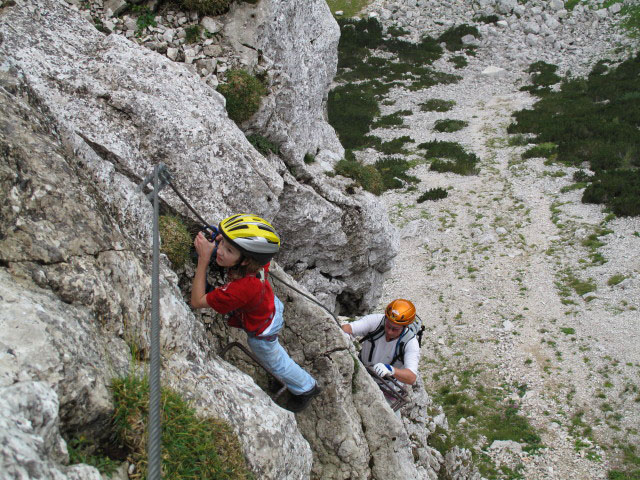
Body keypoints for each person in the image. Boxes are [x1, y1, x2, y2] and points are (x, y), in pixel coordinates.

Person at [191, 213, 320, 412]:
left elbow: (197, 301)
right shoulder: (258, 263)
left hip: (262, 330)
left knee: (278, 363)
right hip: (270, 309)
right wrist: (224, 241)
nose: (221, 250)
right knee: (276, 356)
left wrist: (203, 259)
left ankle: (306, 388)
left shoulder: (243, 288)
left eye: (229, 249)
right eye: (223, 243)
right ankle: (286, 377)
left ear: (245, 261)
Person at [341, 299, 419, 388]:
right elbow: (347, 328)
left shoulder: (410, 343)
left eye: (395, 329)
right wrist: (345, 336)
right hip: (362, 372)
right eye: (388, 325)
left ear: (405, 327)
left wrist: (391, 370)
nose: (389, 331)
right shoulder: (375, 321)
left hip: (387, 386)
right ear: (385, 318)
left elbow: (411, 377)